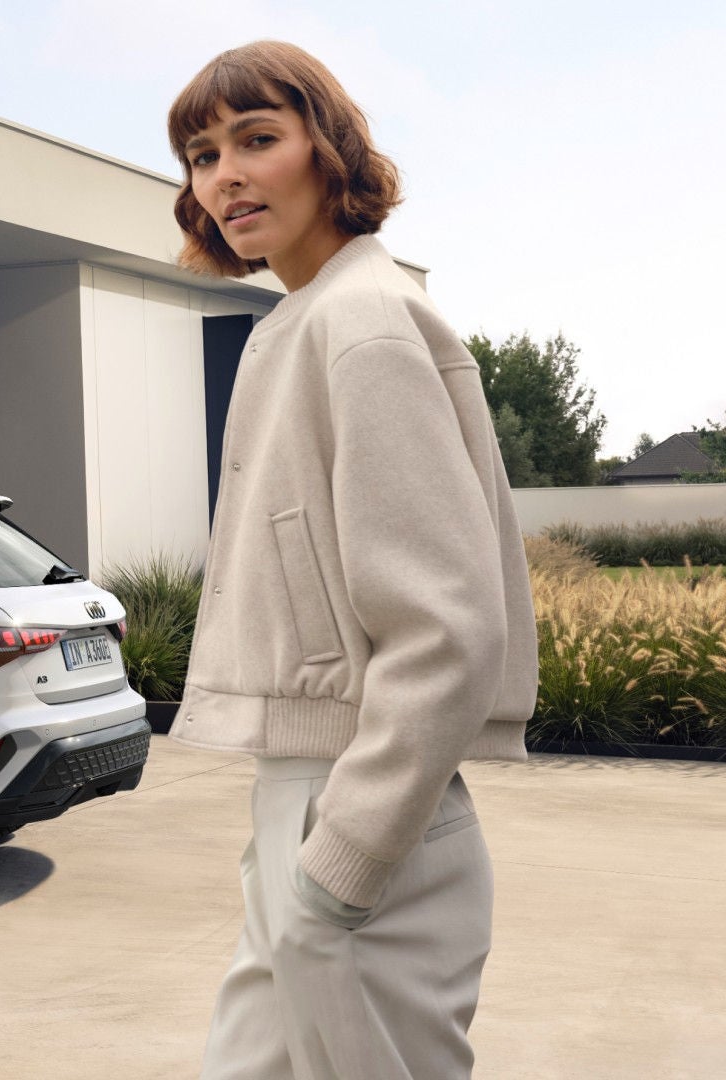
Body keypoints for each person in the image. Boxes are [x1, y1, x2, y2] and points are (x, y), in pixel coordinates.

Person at [163, 40, 541, 1080]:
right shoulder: (296, 324)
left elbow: (449, 627)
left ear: (328, 153)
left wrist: (341, 862)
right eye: (202, 155)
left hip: (366, 819)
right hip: (302, 809)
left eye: (256, 139)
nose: (225, 175)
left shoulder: (363, 325)